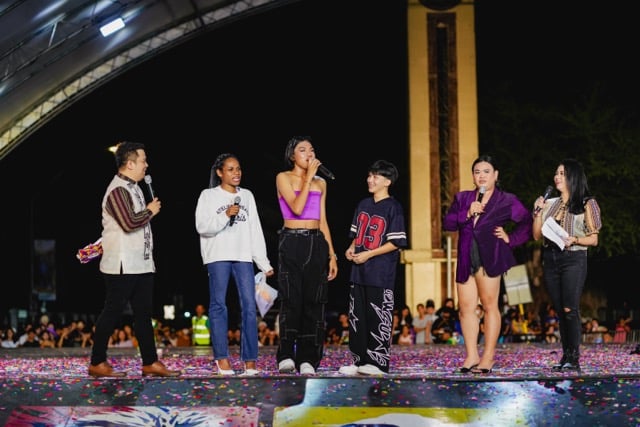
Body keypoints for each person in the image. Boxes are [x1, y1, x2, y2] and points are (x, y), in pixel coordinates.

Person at [88, 141, 180, 378]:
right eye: (142, 161)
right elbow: (128, 223)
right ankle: (97, 361)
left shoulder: (135, 187)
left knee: (143, 314)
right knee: (112, 312)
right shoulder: (117, 189)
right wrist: (150, 210)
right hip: (122, 264)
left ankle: (150, 361)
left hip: (140, 262)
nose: (146, 165)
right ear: (129, 164)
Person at [443, 154, 532, 374]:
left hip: (490, 256)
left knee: (490, 305)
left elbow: (527, 222)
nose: (481, 176)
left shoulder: (506, 200)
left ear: (495, 175)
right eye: (477, 172)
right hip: (466, 257)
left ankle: (488, 357)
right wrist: (467, 212)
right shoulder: (463, 198)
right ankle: (472, 354)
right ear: (473, 176)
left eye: (486, 172)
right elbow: (448, 222)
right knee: (465, 308)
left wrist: (511, 239)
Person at [196, 153, 274, 376]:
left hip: (243, 257)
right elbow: (202, 226)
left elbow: (255, 230)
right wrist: (225, 216)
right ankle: (222, 358)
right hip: (218, 256)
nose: (236, 173)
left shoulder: (247, 196)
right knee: (219, 305)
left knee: (249, 306)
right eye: (230, 169)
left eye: (238, 168)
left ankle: (250, 360)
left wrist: (263, 262)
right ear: (220, 173)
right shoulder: (208, 195)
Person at [275, 136, 338, 376]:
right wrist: (309, 177)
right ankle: (286, 355)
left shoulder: (321, 183)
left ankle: (308, 357)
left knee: (314, 303)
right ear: (292, 155)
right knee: (292, 301)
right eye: (302, 150)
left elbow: (322, 221)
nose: (308, 154)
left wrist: (332, 254)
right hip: (292, 240)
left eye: (311, 149)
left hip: (316, 241)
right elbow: (297, 208)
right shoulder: (283, 178)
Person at [338, 160, 408, 376]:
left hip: (381, 273)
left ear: (387, 181)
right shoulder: (363, 204)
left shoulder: (394, 208)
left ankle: (378, 363)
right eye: (369, 175)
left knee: (378, 315)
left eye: (376, 176)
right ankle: (359, 361)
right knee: (357, 317)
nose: (370, 179)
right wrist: (351, 248)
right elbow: (356, 235)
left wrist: (369, 253)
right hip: (358, 272)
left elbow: (396, 242)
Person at [533, 159, 601, 370]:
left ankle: (574, 357)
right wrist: (536, 213)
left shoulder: (587, 203)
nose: (557, 177)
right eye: (556, 173)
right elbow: (536, 235)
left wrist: (575, 239)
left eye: (562, 173)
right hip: (551, 258)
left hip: (574, 257)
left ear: (573, 176)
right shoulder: (551, 204)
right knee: (560, 311)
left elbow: (593, 239)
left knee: (569, 307)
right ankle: (566, 355)